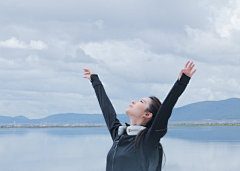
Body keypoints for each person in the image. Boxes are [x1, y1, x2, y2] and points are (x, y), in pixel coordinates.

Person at [83, 61, 196, 171]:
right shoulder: (120, 135)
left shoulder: (148, 140)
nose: (133, 101)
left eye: (141, 102)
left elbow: (166, 109)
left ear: (147, 114)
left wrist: (181, 83)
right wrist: (95, 82)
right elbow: (107, 110)